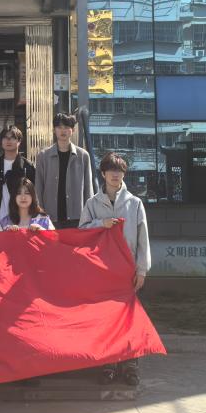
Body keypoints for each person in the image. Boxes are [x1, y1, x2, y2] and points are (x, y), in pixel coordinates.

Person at [79, 152, 151, 386]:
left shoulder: (134, 203)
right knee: (106, 320)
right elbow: (82, 232)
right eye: (111, 170)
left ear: (124, 174)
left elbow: (143, 239)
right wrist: (101, 223)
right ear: (103, 174)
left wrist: (142, 270)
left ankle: (130, 365)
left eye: (119, 170)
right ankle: (108, 364)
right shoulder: (92, 203)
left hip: (127, 271)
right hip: (102, 271)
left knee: (129, 319)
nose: (115, 175)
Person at [34, 112, 93, 228]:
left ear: (73, 130)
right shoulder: (43, 156)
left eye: (66, 127)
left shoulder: (83, 156)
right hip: (50, 217)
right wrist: (40, 212)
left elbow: (88, 188)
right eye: (59, 127)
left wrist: (89, 215)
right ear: (54, 130)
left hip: (77, 217)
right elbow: (38, 187)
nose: (63, 131)